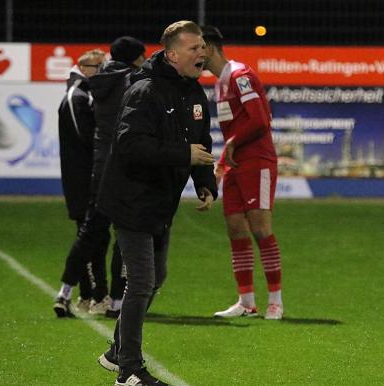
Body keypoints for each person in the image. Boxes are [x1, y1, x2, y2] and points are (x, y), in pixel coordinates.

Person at [96, 21, 217, 386]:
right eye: (194, 48)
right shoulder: (144, 91)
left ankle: (117, 351)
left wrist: (205, 182)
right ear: (172, 54)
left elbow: (202, 141)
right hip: (131, 199)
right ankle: (128, 370)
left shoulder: (194, 94)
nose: (202, 53)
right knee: (142, 282)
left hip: (159, 202)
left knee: (155, 277)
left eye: (203, 47)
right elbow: (130, 145)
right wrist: (183, 154)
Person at [201, 25, 284, 320]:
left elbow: (260, 121)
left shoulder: (240, 76)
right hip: (237, 163)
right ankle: (246, 301)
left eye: (198, 48)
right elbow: (235, 130)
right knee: (236, 228)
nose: (196, 55)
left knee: (261, 229)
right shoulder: (219, 84)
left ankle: (275, 300)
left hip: (258, 161)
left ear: (209, 48)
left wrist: (233, 143)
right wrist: (223, 163)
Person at [87, 36, 146, 318]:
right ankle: (119, 300)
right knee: (126, 235)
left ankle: (96, 294)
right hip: (124, 167)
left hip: (100, 166)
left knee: (94, 233)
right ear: (135, 58)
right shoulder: (133, 82)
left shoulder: (99, 81)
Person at [53, 49, 107, 318]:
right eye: (102, 67)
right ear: (87, 68)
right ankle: (87, 294)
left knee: (92, 236)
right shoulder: (77, 95)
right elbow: (86, 137)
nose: (105, 72)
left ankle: (88, 296)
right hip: (83, 180)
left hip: (84, 178)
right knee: (91, 236)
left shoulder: (82, 94)